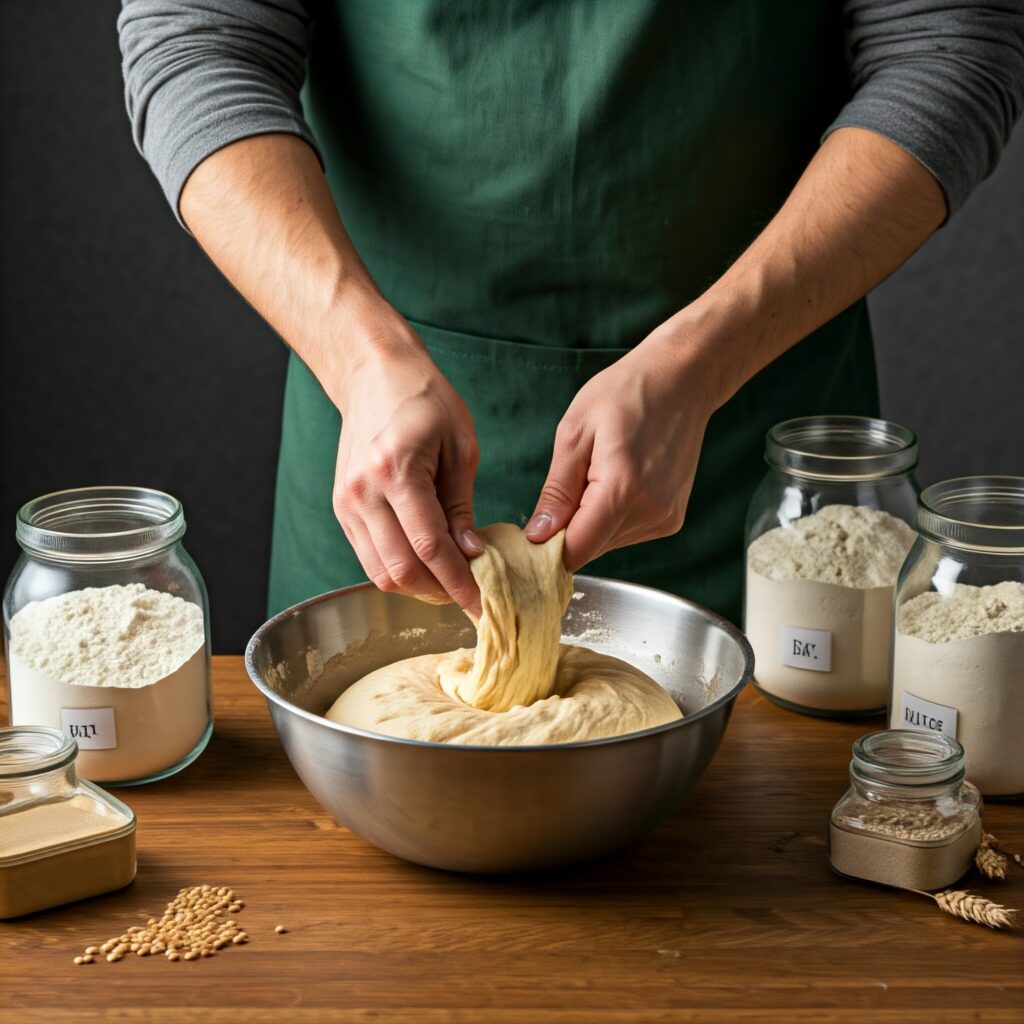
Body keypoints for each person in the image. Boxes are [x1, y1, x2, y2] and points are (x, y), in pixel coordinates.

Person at [119, 1, 1024, 623]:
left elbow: (947, 50)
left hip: (760, 457)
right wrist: (358, 357)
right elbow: (197, 40)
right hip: (381, 420)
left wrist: (701, 363)